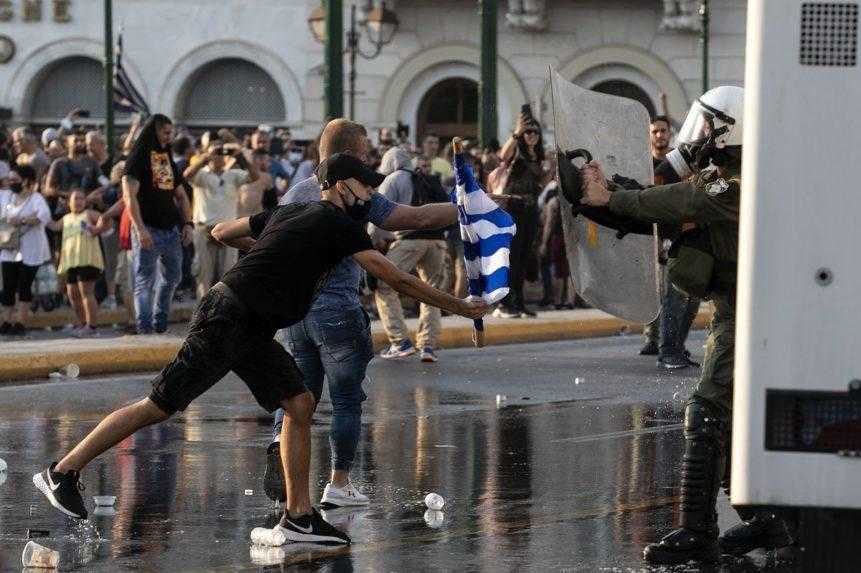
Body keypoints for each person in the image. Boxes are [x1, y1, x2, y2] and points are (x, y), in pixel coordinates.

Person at [32, 153, 488, 547]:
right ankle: (63, 471)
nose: (370, 191)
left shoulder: (292, 213)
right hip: (231, 316)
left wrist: (277, 252)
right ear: (341, 185)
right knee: (159, 405)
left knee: (299, 402)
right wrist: (462, 308)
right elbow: (400, 279)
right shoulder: (335, 222)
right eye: (366, 183)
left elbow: (223, 232)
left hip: (249, 320)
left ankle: (299, 517)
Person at [579, 86, 793, 564]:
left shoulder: (733, 183)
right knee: (730, 416)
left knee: (707, 410)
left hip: (753, 313)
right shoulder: (725, 179)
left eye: (705, 126)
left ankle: (697, 529)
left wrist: (612, 196)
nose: (694, 137)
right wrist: (603, 197)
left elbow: (678, 202)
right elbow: (665, 210)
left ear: (724, 131)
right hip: (743, 309)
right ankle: (765, 518)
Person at [264, 119, 466, 509]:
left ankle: (281, 453)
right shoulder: (354, 194)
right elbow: (417, 219)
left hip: (294, 313)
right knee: (345, 400)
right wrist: (467, 208)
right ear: (352, 156)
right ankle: (338, 484)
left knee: (295, 399)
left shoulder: (293, 195)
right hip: (337, 311)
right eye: (366, 152)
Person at [122, 114, 192, 334]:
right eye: (166, 132)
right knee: (144, 281)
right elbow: (129, 197)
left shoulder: (165, 157)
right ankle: (144, 328)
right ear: (155, 131)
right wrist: (140, 229)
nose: (169, 137)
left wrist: (188, 223)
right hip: (147, 228)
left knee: (173, 276)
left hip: (170, 229)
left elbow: (181, 195)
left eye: (171, 132)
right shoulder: (137, 158)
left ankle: (159, 320)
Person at [184, 140, 259, 299]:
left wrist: (241, 158)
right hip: (204, 229)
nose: (219, 156)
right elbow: (186, 175)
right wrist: (205, 158)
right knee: (203, 276)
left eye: (221, 153)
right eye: (216, 152)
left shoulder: (233, 174)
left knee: (227, 275)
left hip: (228, 232)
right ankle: (203, 317)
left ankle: (223, 315)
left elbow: (255, 176)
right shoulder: (202, 174)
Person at [493, 112, 545, 318]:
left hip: (530, 211)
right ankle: (503, 304)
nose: (531, 135)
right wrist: (516, 133)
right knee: (511, 257)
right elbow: (502, 156)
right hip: (513, 208)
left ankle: (518, 301)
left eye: (535, 132)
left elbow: (538, 184)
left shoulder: (538, 156)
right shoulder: (517, 153)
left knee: (524, 258)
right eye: (528, 131)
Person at [49, 189, 108, 337]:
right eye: (75, 199)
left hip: (87, 260)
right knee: (72, 295)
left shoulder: (89, 214)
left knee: (86, 293)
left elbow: (106, 219)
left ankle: (92, 327)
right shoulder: (66, 218)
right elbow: (53, 226)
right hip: (70, 261)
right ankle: (83, 324)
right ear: (69, 202)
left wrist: (97, 229)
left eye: (82, 198)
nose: (79, 201)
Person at [0, 165, 51, 336]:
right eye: (10, 179)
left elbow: (44, 216)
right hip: (9, 248)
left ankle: (21, 322)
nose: (11, 182)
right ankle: (6, 320)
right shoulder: (7, 197)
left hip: (31, 249)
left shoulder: (35, 198)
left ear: (26, 181)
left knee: (24, 285)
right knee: (8, 285)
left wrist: (21, 220)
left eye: (15, 180)